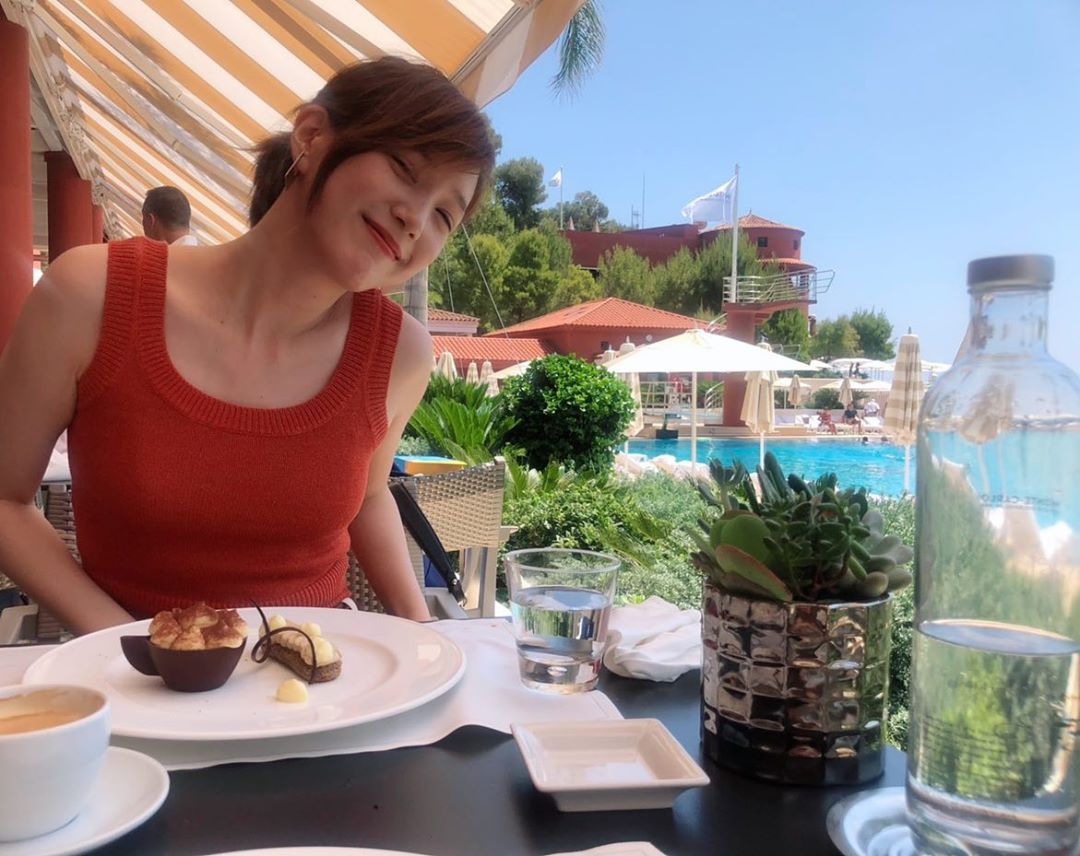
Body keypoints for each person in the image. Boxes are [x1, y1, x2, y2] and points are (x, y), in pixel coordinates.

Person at [0, 58, 495, 635]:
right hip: (125, 672)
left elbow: (367, 496)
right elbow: (6, 501)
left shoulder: (400, 353)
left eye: (444, 215)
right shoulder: (92, 294)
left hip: (324, 671)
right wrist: (131, 646)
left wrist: (422, 633)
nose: (415, 219)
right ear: (311, 137)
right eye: (405, 169)